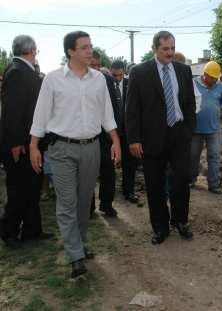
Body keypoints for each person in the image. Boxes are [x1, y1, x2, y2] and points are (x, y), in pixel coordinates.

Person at [29, 31, 121, 278]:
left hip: (92, 147)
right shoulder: (53, 79)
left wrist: (115, 140)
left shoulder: (99, 80)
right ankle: (75, 255)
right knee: (67, 203)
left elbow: (107, 114)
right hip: (61, 149)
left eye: (90, 46)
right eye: (84, 47)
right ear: (70, 51)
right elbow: (40, 115)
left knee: (84, 202)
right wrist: (33, 146)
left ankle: (80, 242)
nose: (90, 51)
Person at [126, 31, 196, 245]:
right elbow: (132, 109)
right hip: (151, 139)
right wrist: (133, 139)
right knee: (154, 184)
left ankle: (180, 220)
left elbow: (189, 103)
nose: (170, 53)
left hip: (178, 134)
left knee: (181, 181)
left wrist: (188, 130)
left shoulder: (183, 70)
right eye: (165, 49)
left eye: (172, 48)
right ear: (154, 48)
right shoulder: (139, 72)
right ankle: (160, 227)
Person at [0, 35, 53, 248]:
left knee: (32, 188)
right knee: (19, 191)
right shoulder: (17, 72)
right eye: (37, 51)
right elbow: (12, 112)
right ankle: (8, 232)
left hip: (30, 142)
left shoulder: (23, 71)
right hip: (20, 145)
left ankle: (32, 230)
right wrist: (15, 143)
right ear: (31, 50)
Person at [90, 51, 122, 217]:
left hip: (106, 136)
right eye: (91, 65)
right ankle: (88, 207)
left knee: (108, 172)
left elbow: (115, 109)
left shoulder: (107, 80)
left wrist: (115, 135)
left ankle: (106, 203)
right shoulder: (77, 81)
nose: (95, 68)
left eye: (97, 65)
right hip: (87, 136)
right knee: (87, 173)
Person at [190, 61, 222, 194]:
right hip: (195, 130)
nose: (215, 80)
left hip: (214, 130)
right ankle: (191, 179)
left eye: (216, 78)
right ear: (205, 75)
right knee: (193, 156)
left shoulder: (220, 87)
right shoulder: (193, 84)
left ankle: (214, 185)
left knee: (214, 157)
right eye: (213, 77)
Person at [110, 60, 139, 204]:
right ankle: (108, 196)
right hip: (111, 132)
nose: (117, 78)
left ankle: (129, 191)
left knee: (130, 164)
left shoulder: (131, 84)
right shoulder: (106, 85)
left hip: (128, 132)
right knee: (109, 164)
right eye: (114, 75)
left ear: (124, 72)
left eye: (119, 75)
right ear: (110, 72)